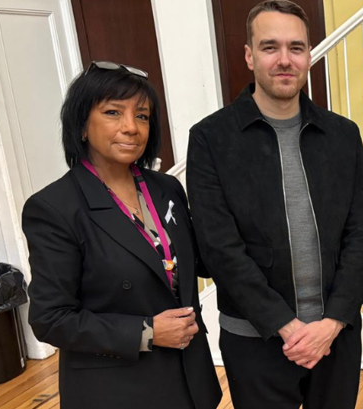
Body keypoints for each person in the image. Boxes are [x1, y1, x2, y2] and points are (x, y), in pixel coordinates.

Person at [185, 1, 363, 408]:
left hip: (334, 336)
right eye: (270, 47)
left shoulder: (343, 135)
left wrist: (334, 320)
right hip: (255, 340)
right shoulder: (211, 139)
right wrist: (285, 326)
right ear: (250, 56)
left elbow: (361, 234)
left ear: (308, 55)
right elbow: (220, 248)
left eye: (296, 47)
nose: (285, 60)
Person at [23, 61, 222, 409]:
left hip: (189, 379)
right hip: (117, 389)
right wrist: (146, 331)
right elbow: (50, 318)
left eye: (142, 116)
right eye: (113, 112)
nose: (131, 128)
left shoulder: (167, 188)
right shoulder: (54, 208)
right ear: (82, 125)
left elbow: (197, 263)